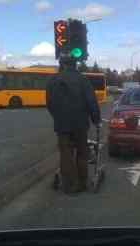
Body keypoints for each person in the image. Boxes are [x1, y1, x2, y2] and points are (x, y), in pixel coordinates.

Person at [46, 58, 101, 194]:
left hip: (62, 124)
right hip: (80, 124)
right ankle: (82, 183)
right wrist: (96, 120)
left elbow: (49, 103)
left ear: (62, 64)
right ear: (75, 65)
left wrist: (58, 117)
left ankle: (69, 186)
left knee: (65, 154)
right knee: (82, 153)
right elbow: (91, 102)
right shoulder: (82, 80)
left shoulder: (53, 80)